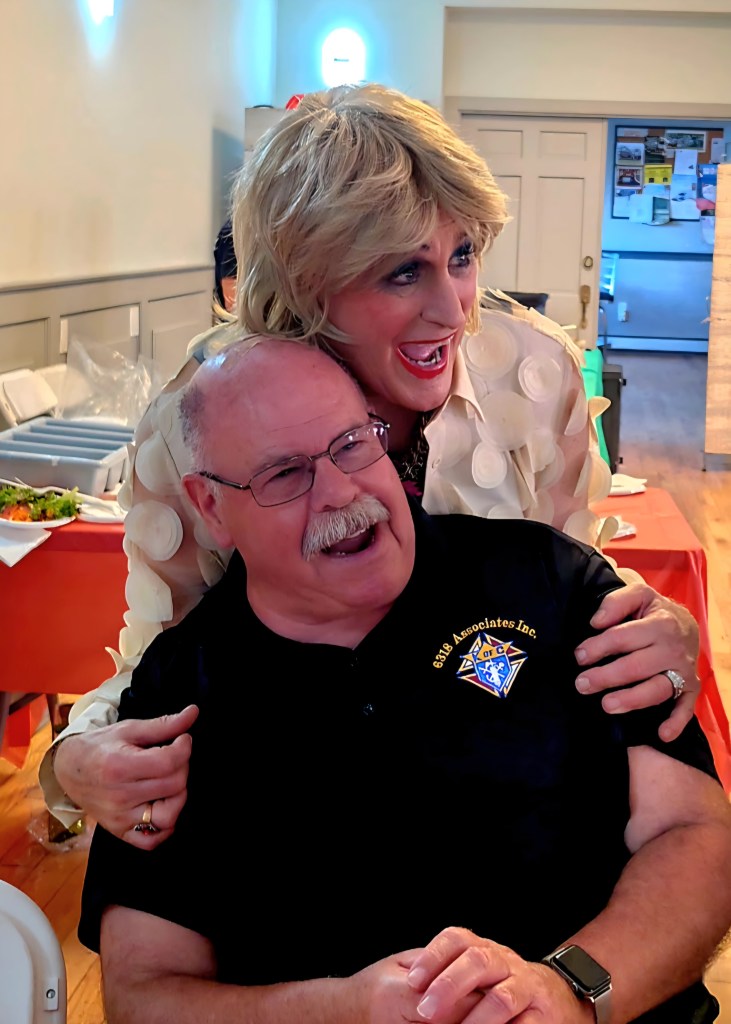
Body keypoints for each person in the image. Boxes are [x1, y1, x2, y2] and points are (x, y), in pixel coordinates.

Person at [41, 82, 705, 847]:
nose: (455, 309)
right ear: (303, 282)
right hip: (301, 812)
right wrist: (75, 760)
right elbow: (166, 667)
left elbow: (567, 604)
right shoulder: (203, 420)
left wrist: (660, 632)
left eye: (461, 256)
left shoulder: (530, 374)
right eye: (401, 272)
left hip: (505, 808)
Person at [79, 336, 731, 1024]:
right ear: (210, 506)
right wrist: (342, 1011)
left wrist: (567, 994)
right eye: (285, 474)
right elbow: (143, 993)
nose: (341, 491)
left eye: (351, 444)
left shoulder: (551, 583)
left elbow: (695, 834)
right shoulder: (179, 693)